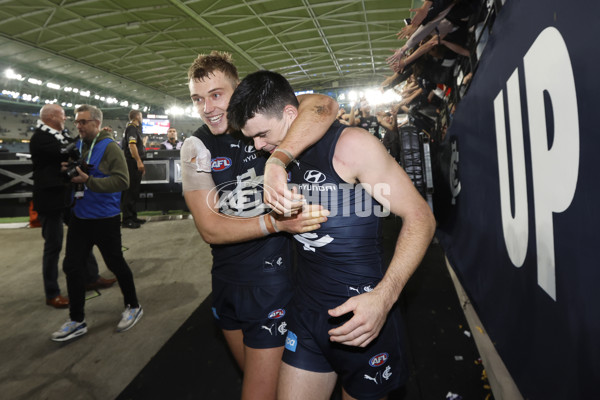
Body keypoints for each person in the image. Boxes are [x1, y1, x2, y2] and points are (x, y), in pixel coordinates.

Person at [227, 70, 436, 400]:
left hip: (363, 317)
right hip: (308, 314)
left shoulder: (350, 145)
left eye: (262, 134)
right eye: (251, 138)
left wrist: (385, 297)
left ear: (290, 115)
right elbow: (310, 104)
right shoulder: (278, 156)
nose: (257, 146)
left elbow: (421, 218)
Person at [182, 51, 337, 400]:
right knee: (260, 381)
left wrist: (276, 161)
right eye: (197, 99)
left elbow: (325, 104)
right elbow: (210, 229)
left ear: (238, 91)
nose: (207, 108)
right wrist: (276, 224)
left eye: (216, 95)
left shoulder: (264, 119)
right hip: (224, 283)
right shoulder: (196, 145)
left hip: (272, 283)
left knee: (260, 391)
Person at [51, 104, 143, 342]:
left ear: (96, 123)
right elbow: (79, 175)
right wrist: (68, 172)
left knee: (116, 263)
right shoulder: (79, 145)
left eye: (82, 121)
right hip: (80, 217)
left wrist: (89, 180)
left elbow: (123, 181)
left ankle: (133, 305)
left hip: (105, 219)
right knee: (72, 266)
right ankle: (77, 319)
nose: (78, 126)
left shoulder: (110, 147)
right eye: (76, 121)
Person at [30, 104, 116, 309]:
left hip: (65, 196)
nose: (66, 118)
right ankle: (52, 293)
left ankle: (91, 277)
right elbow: (65, 152)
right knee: (53, 246)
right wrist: (90, 134)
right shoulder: (40, 138)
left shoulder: (59, 134)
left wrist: (66, 162)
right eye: (62, 115)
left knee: (82, 236)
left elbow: (71, 154)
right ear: (51, 117)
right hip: (50, 201)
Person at [121, 109, 145, 229]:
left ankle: (133, 216)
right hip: (131, 163)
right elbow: (132, 145)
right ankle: (127, 219)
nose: (142, 118)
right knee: (130, 192)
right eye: (141, 116)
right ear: (137, 117)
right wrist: (138, 161)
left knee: (134, 191)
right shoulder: (131, 128)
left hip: (134, 163)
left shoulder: (134, 129)